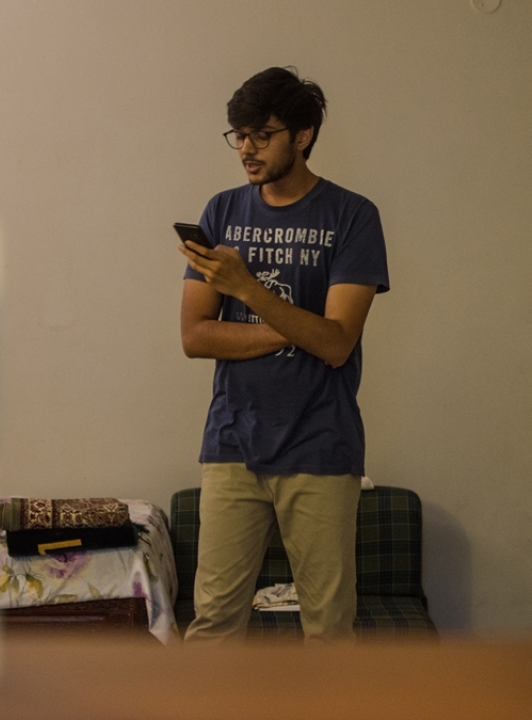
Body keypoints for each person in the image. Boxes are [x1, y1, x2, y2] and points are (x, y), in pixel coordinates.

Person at [178, 66, 389, 644]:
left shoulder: (352, 216)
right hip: (231, 443)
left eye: (262, 135)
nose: (246, 149)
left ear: (303, 135)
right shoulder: (222, 212)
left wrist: (247, 291)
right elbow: (196, 337)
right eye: (239, 135)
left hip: (321, 444)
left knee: (327, 632)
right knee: (213, 625)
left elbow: (337, 344)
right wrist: (298, 329)